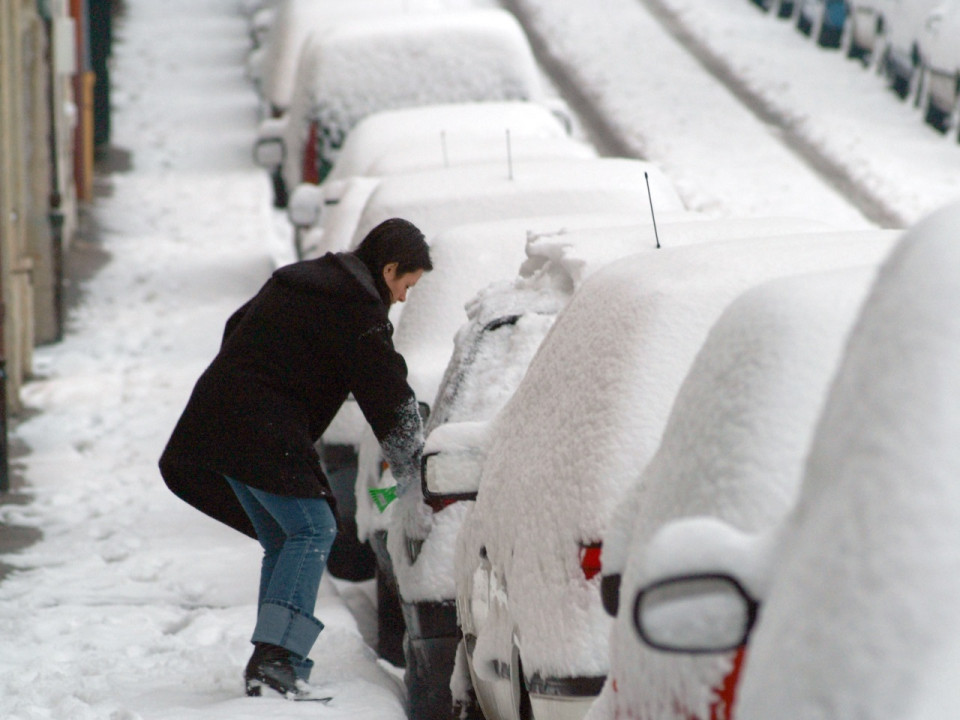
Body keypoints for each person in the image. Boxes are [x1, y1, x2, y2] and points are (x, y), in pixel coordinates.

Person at [159, 217, 432, 698]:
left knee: (288, 537)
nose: (405, 298)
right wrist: (416, 462)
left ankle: (272, 660)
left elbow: (236, 327)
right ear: (388, 269)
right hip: (260, 425)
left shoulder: (306, 279)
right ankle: (275, 660)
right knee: (313, 529)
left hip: (222, 415)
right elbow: (385, 390)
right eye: (407, 285)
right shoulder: (358, 306)